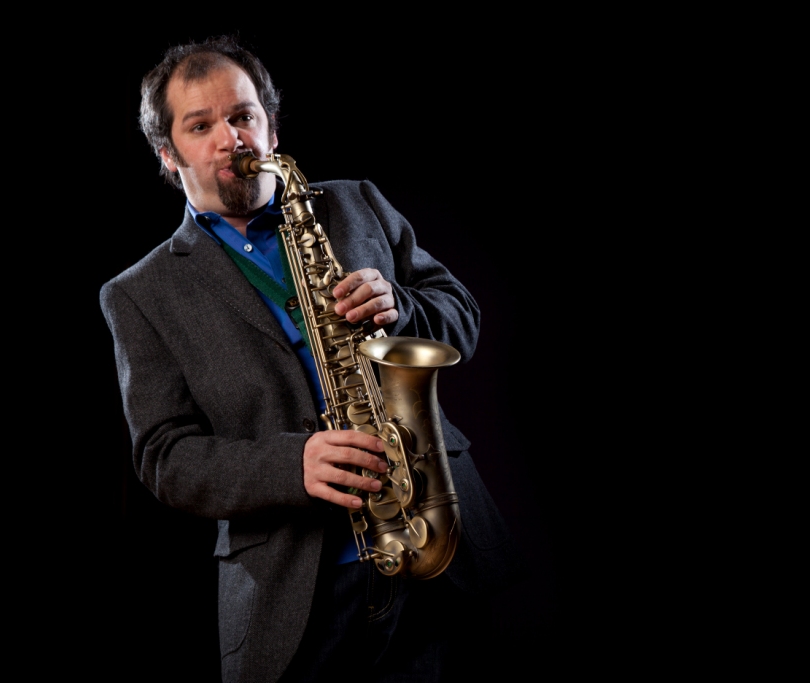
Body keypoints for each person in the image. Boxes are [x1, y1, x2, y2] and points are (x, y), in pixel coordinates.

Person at [100, 35, 524, 682]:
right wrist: (291, 464)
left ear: (270, 127)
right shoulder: (140, 294)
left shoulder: (356, 203)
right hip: (300, 599)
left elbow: (460, 314)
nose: (231, 139)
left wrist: (401, 306)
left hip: (442, 553)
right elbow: (165, 457)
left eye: (243, 116)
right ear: (167, 154)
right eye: (201, 125)